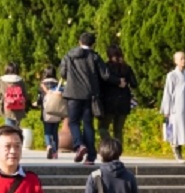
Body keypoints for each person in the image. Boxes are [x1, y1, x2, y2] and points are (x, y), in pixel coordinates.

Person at [59, 32, 121, 165]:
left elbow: (62, 73)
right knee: (88, 124)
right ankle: (91, 157)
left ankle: (79, 145)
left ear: (79, 41)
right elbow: (105, 75)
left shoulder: (69, 55)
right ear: (93, 44)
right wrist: (118, 81)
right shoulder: (94, 57)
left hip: (72, 94)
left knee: (73, 122)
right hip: (89, 95)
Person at [99, 46, 138, 145]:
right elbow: (134, 84)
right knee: (118, 130)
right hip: (123, 101)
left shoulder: (106, 67)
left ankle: (109, 145)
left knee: (103, 127)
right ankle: (118, 150)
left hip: (108, 101)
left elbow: (101, 82)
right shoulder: (127, 68)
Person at [0, 62, 30, 128]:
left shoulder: (1, 80)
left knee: (9, 128)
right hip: (19, 107)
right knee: (17, 129)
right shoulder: (20, 80)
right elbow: (25, 95)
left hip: (6, 106)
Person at [39, 66, 65, 160]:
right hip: (57, 112)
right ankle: (55, 153)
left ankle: (49, 146)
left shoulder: (42, 84)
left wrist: (37, 103)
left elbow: (40, 98)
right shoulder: (58, 84)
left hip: (46, 111)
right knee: (55, 133)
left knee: (47, 131)